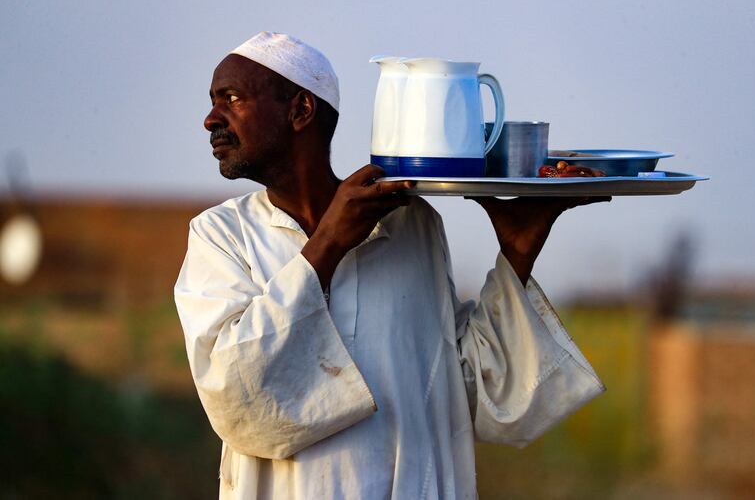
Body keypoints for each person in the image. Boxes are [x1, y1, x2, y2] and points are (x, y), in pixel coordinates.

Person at [175, 32, 606, 500]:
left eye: (232, 99)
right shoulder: (221, 235)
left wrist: (517, 253)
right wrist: (328, 245)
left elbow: (462, 391)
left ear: (300, 110)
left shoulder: (410, 225)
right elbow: (234, 392)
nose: (210, 119)